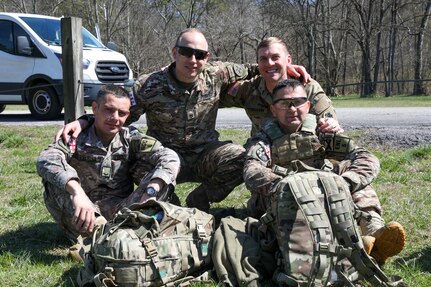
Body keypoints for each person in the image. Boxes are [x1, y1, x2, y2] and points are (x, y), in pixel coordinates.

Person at [56, 28, 309, 212]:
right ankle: (170, 207)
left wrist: (289, 67)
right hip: (164, 157)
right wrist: (84, 121)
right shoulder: (149, 84)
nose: (193, 60)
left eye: (200, 54)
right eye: (187, 52)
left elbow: (257, 67)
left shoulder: (216, 74)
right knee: (144, 175)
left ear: (207, 58)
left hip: (203, 155)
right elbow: (116, 114)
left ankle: (199, 200)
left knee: (241, 158)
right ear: (175, 52)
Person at [243, 79, 405, 265]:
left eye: (298, 102)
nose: (292, 108)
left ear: (308, 105)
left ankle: (374, 231)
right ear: (273, 109)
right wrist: (284, 186)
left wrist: (345, 183)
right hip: (284, 201)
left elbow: (366, 158)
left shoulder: (322, 132)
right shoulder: (264, 139)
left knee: (348, 171)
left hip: (326, 194)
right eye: (284, 103)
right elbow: (252, 170)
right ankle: (355, 249)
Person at [37, 85, 180, 244]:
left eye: (122, 113)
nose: (115, 118)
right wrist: (77, 192)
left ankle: (127, 228)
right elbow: (47, 159)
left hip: (121, 209)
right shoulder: (76, 136)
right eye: (108, 110)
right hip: (82, 212)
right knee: (56, 179)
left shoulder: (130, 138)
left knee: (155, 174)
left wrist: (152, 189)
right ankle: (108, 236)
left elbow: (169, 156)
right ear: (95, 108)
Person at [221, 36, 342, 136]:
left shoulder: (307, 87)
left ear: (288, 60)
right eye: (263, 59)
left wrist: (330, 124)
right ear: (257, 63)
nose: (269, 63)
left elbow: (329, 123)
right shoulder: (249, 89)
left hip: (304, 154)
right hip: (264, 156)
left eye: (275, 57)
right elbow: (213, 95)